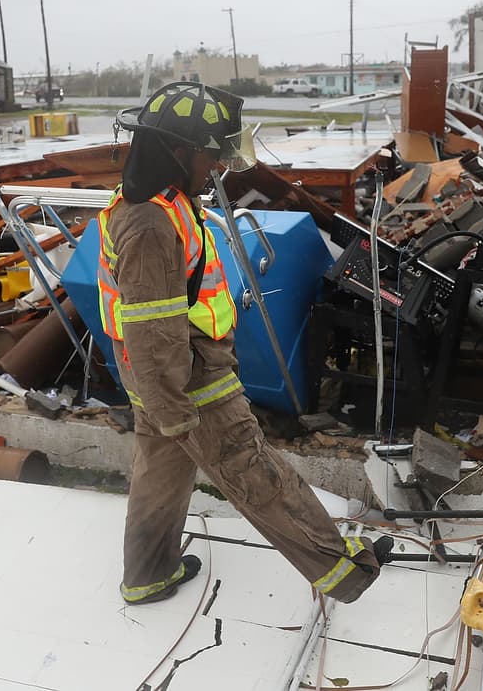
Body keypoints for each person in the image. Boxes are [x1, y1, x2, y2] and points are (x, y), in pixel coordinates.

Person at [99, 81, 390, 606]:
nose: (216, 166)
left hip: (154, 379)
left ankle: (148, 576)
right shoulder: (151, 225)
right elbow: (153, 327)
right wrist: (175, 409)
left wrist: (161, 406)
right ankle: (347, 572)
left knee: (159, 476)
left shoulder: (155, 202)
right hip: (188, 379)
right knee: (255, 472)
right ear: (178, 151)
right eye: (209, 155)